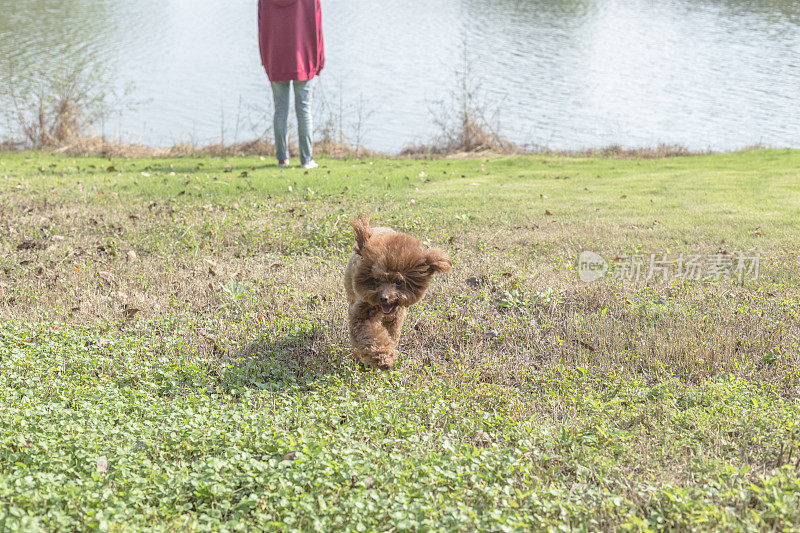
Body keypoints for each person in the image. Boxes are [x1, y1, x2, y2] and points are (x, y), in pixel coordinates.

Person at [258, 0, 324, 169]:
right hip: (303, 57)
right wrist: (320, 58)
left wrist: (265, 59)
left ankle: (282, 159)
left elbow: (262, 27)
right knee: (304, 109)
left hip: (276, 57)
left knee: (280, 109)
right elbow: (317, 25)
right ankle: (306, 160)